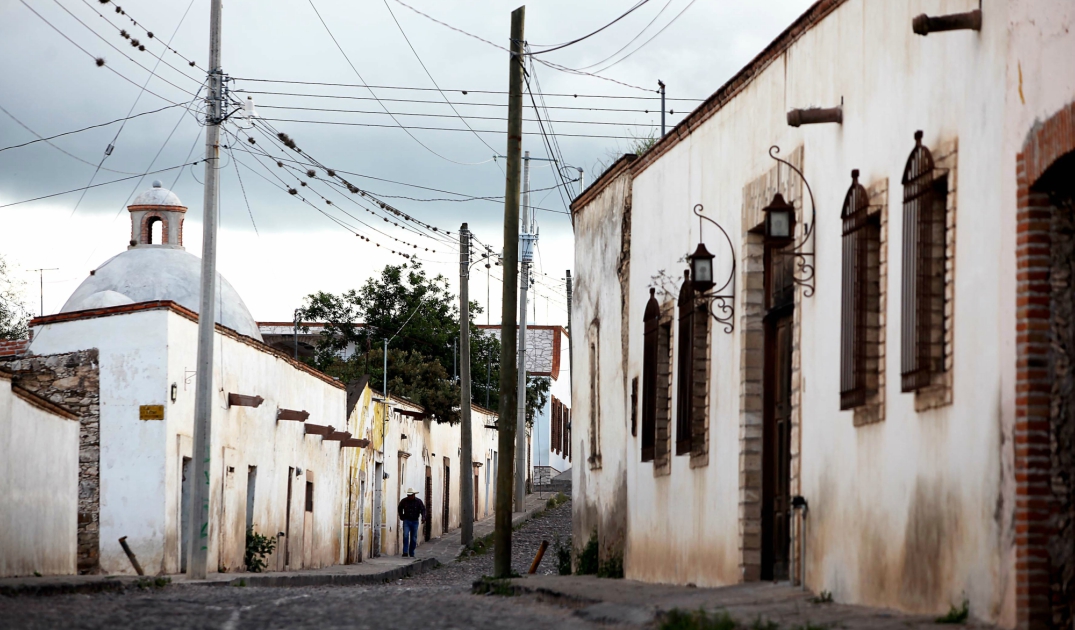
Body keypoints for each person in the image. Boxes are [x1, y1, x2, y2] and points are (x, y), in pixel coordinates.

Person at [397, 488, 425, 558]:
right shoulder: (404, 501)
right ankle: (405, 552)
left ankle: (411, 552)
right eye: (408, 495)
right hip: (407, 520)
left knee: (413, 538)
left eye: (411, 495)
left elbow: (423, 509)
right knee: (405, 536)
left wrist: (423, 517)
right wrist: (401, 515)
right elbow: (400, 508)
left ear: (414, 495)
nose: (409, 497)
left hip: (415, 521)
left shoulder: (418, 502)